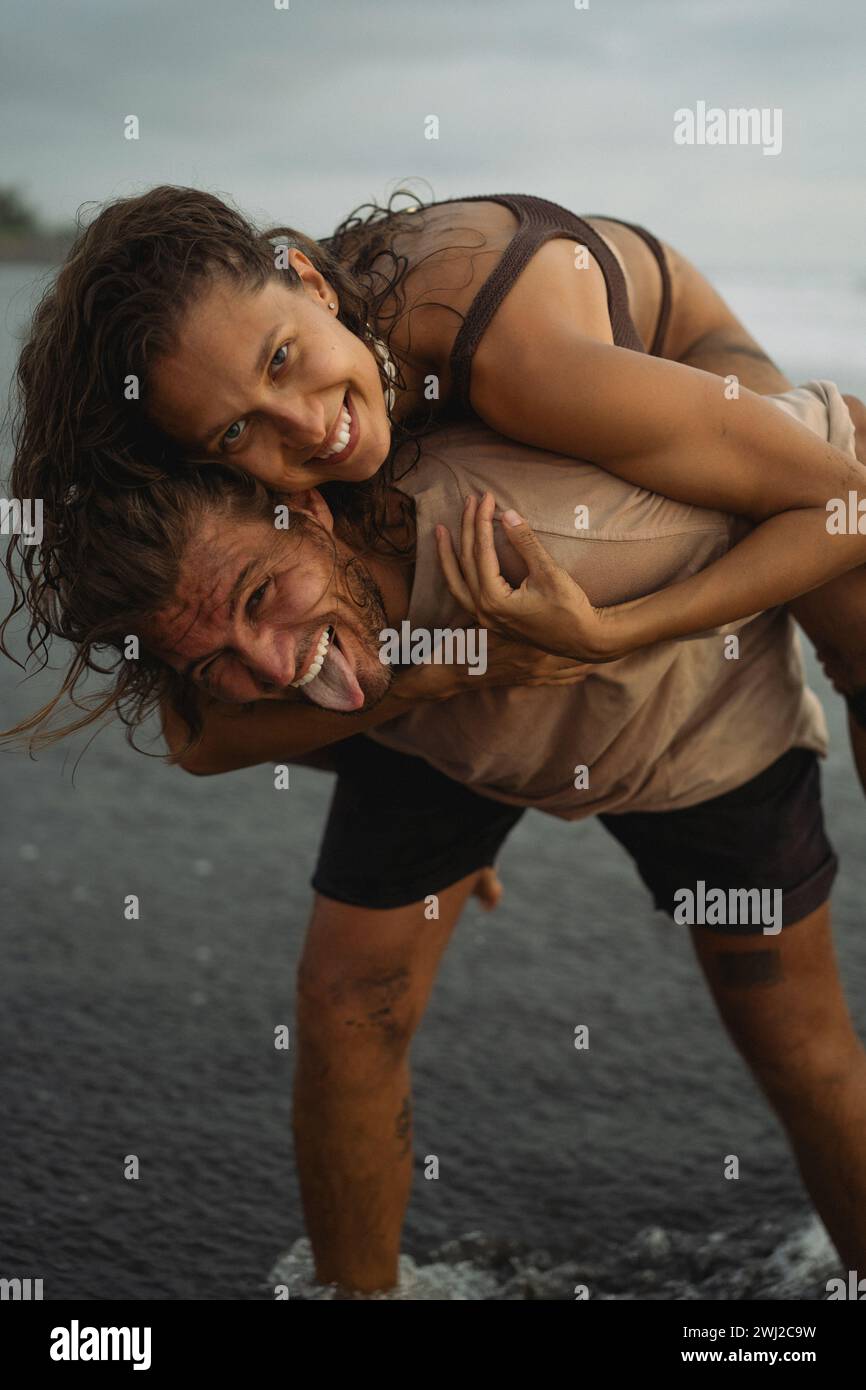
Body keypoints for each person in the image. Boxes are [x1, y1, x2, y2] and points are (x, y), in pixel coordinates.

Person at [9, 376, 866, 1297]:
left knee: (796, 1041)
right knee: (351, 1000)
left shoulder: (550, 524)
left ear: (306, 514)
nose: (267, 660)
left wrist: (623, 633)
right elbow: (201, 737)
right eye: (217, 657)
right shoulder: (291, 626)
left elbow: (832, 487)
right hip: (430, 732)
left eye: (261, 597)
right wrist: (432, 693)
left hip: (691, 723)